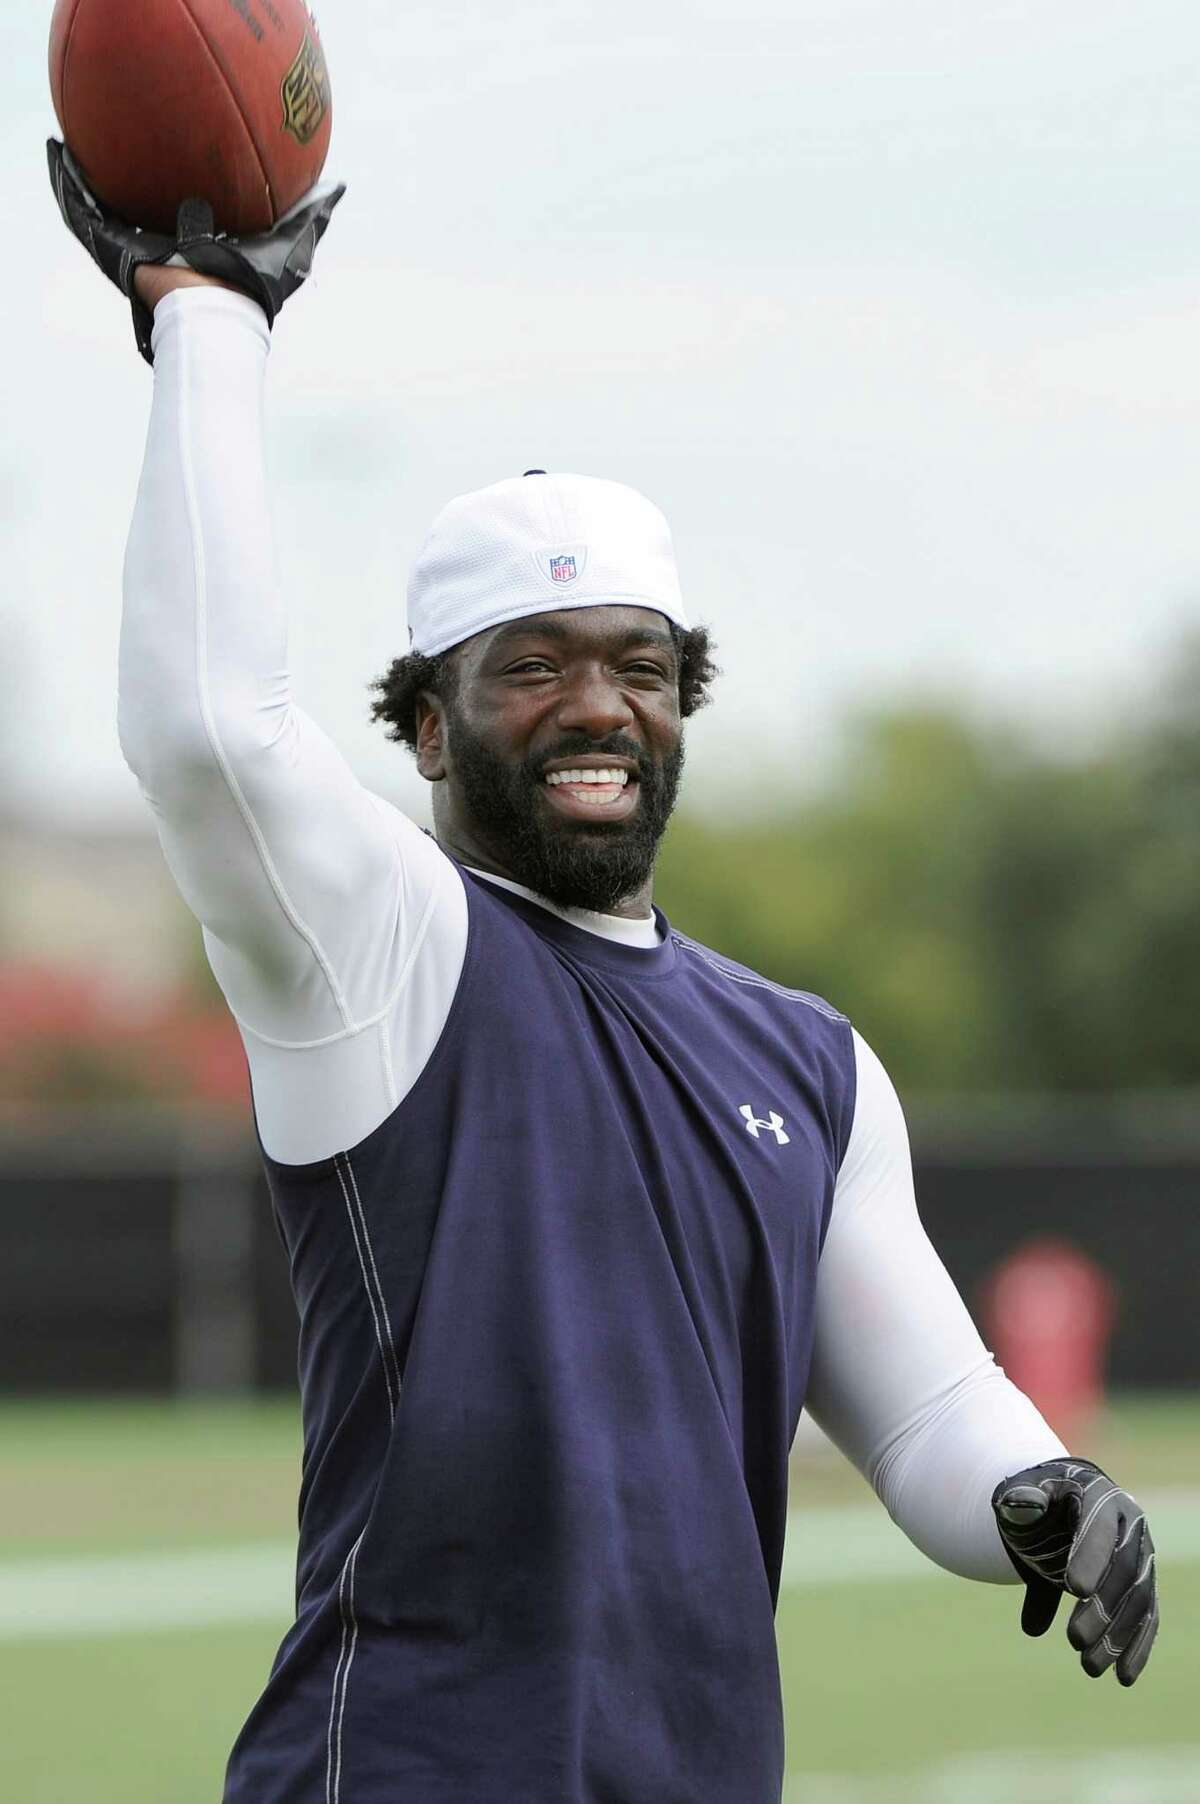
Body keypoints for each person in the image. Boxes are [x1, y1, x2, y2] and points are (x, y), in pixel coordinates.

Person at [49, 147, 1158, 1804]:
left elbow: (923, 1408)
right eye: (532, 667)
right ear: (426, 721)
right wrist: (212, 316)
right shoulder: (393, 952)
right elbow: (211, 732)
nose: (594, 706)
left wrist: (1041, 1492)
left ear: (682, 703)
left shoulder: (812, 1063)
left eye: (639, 665)